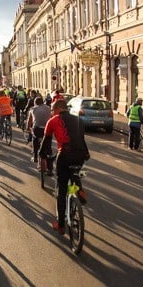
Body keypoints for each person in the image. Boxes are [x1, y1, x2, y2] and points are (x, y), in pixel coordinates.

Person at [43, 98, 90, 234]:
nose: (51, 112)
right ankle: (79, 190)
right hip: (80, 155)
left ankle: (61, 224)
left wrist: (42, 155)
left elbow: (46, 142)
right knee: (74, 174)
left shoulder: (54, 120)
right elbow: (81, 139)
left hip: (64, 155)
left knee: (61, 188)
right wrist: (86, 154)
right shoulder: (78, 120)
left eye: (52, 110)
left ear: (58, 109)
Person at [26, 96, 52, 164]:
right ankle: (50, 168)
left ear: (35, 103)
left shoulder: (32, 109)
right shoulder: (48, 108)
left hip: (37, 129)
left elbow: (29, 120)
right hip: (47, 128)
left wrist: (28, 128)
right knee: (48, 145)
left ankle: (35, 157)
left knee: (34, 139)